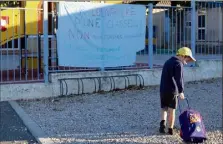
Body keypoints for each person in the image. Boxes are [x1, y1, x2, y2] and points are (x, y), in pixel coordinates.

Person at [159, 47, 196, 135]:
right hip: (172, 91)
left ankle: (162, 125)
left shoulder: (168, 61)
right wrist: (181, 91)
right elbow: (179, 79)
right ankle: (170, 129)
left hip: (163, 89)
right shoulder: (178, 64)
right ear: (183, 56)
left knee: (164, 108)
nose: (188, 61)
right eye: (188, 58)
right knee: (172, 110)